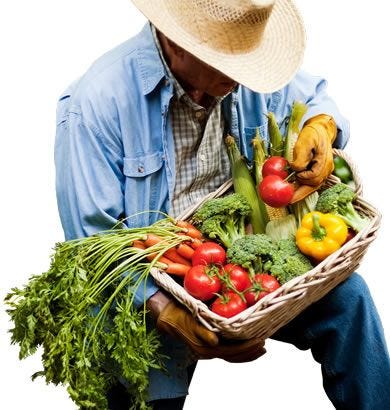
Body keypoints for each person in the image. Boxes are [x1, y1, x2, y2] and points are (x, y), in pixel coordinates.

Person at [54, 0, 390, 408]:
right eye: (231, 63)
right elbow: (92, 244)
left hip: (237, 262)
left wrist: (322, 125)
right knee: (136, 390)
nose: (246, 76)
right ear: (178, 45)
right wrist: (164, 311)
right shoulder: (95, 105)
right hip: (147, 282)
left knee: (349, 300)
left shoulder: (246, 73)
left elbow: (315, 98)